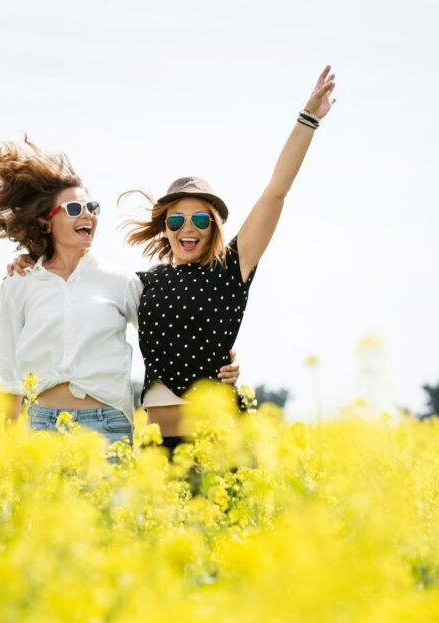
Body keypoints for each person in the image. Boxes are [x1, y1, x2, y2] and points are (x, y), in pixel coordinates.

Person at [0, 138, 239, 446]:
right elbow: (9, 372)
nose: (87, 214)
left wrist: (225, 362)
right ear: (47, 222)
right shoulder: (19, 283)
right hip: (42, 424)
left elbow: (171, 332)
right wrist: (7, 446)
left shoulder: (121, 282)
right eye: (74, 208)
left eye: (91, 207)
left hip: (107, 425)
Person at [125, 65, 336, 447]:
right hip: (157, 449)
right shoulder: (140, 283)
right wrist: (29, 263)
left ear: (215, 227)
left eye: (200, 219)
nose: (187, 228)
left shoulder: (230, 269)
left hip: (221, 443)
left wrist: (308, 119)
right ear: (165, 226)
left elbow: (275, 193)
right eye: (177, 219)